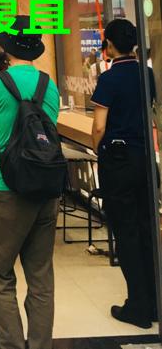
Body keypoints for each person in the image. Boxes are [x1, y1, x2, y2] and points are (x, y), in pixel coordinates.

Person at [0, 16, 60, 349]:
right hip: (46, 188)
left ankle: (11, 346)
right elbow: (47, 128)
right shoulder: (49, 85)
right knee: (41, 276)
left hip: (6, 189)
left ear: (6, 47)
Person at [91, 19, 157, 329]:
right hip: (145, 158)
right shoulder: (147, 74)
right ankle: (155, 302)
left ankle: (137, 305)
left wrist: (98, 149)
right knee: (147, 229)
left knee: (126, 232)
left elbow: (99, 126)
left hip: (119, 161)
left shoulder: (109, 78)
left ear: (109, 45)